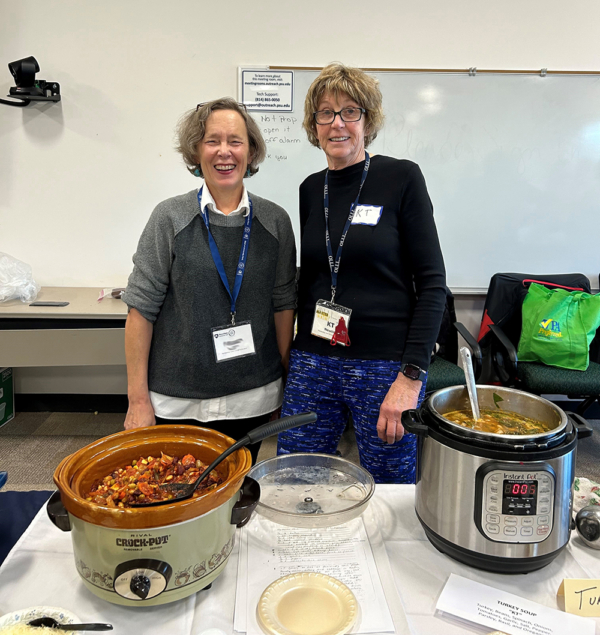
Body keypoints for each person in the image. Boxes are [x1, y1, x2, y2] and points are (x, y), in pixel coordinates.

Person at [277, 64, 446, 483]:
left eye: (350, 111)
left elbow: (432, 285)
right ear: (313, 124)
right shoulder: (310, 188)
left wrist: (410, 378)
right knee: (295, 478)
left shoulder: (401, 177)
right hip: (314, 359)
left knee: (390, 484)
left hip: (383, 366)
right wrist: (294, 361)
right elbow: (318, 274)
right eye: (325, 113)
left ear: (367, 121)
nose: (337, 123)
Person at [122, 98, 297, 463]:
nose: (224, 152)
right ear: (196, 150)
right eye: (212, 140)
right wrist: (138, 400)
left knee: (234, 494)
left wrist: (283, 384)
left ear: (251, 151)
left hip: (252, 396)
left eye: (235, 141)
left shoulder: (275, 221)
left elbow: (284, 305)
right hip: (177, 398)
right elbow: (141, 310)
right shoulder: (169, 218)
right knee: (173, 495)